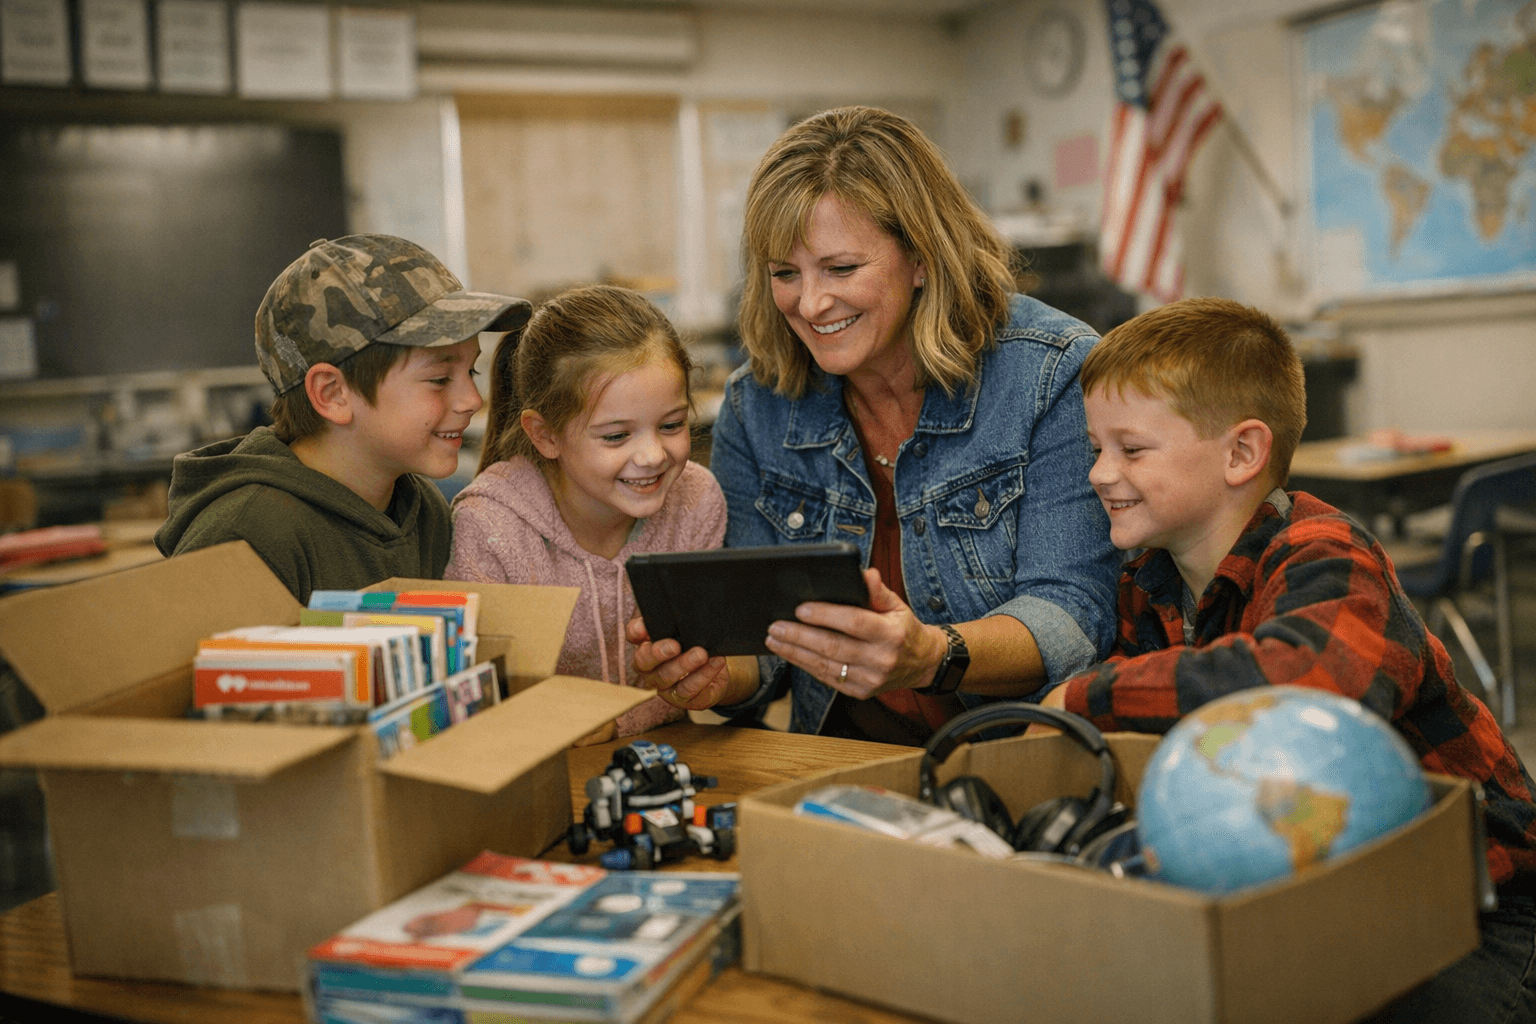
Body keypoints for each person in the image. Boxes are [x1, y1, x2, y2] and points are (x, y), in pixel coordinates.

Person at [1039, 295, 1536, 1023]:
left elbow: (1309, 688)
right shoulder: (1148, 584)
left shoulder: (1326, 552)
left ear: (1242, 453)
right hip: (1319, 897)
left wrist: (1080, 697)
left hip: (1479, 905)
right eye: (1095, 450)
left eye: (1131, 449)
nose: (1099, 474)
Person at [631, 106, 1120, 744]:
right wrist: (720, 676)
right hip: (838, 760)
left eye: (840, 269)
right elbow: (765, 646)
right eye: (785, 273)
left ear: (921, 258)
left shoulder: (1050, 375)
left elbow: (1073, 617)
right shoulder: (760, 405)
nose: (809, 305)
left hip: (1012, 756)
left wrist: (930, 655)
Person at [155, 234, 531, 604]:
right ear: (333, 394)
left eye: (472, 372)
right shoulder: (245, 537)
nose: (472, 400)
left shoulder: (421, 509)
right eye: (439, 380)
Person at [445, 285, 727, 739]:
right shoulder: (490, 526)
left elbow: (707, 667)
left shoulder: (696, 499)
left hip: (668, 755)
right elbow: (484, 698)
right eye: (616, 436)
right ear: (545, 435)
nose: (653, 455)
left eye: (672, 425)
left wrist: (619, 721)